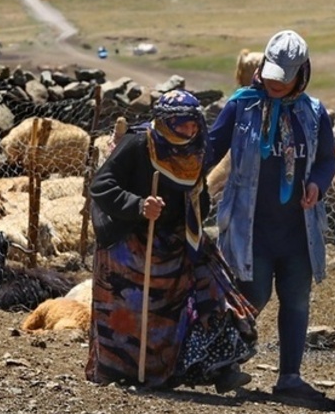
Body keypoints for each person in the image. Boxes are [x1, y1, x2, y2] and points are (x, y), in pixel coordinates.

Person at [86, 90, 258, 392]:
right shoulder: (140, 143)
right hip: (132, 239)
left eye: (193, 124)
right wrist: (139, 205)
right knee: (133, 309)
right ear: (166, 122)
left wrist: (195, 207)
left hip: (179, 237)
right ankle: (126, 369)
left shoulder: (194, 151)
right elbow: (101, 184)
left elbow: (198, 197)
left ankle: (219, 368)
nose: (190, 130)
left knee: (212, 287)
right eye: (182, 124)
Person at [206, 29, 335, 406]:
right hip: (252, 227)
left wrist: (317, 182)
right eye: (271, 73)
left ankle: (290, 377)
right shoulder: (242, 106)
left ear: (302, 74)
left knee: (296, 299)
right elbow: (212, 148)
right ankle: (222, 363)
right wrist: (181, 173)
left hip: (299, 229)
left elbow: (328, 159)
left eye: (285, 76)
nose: (275, 83)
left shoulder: (313, 114)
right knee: (253, 295)